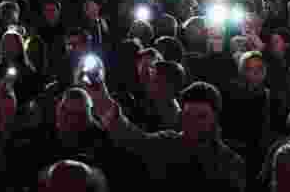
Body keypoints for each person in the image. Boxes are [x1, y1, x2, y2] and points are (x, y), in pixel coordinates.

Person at [92, 80, 247, 192]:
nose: (193, 122)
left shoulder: (230, 162)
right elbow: (130, 137)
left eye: (201, 116)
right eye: (188, 115)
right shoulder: (167, 143)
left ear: (215, 118)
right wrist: (100, 95)